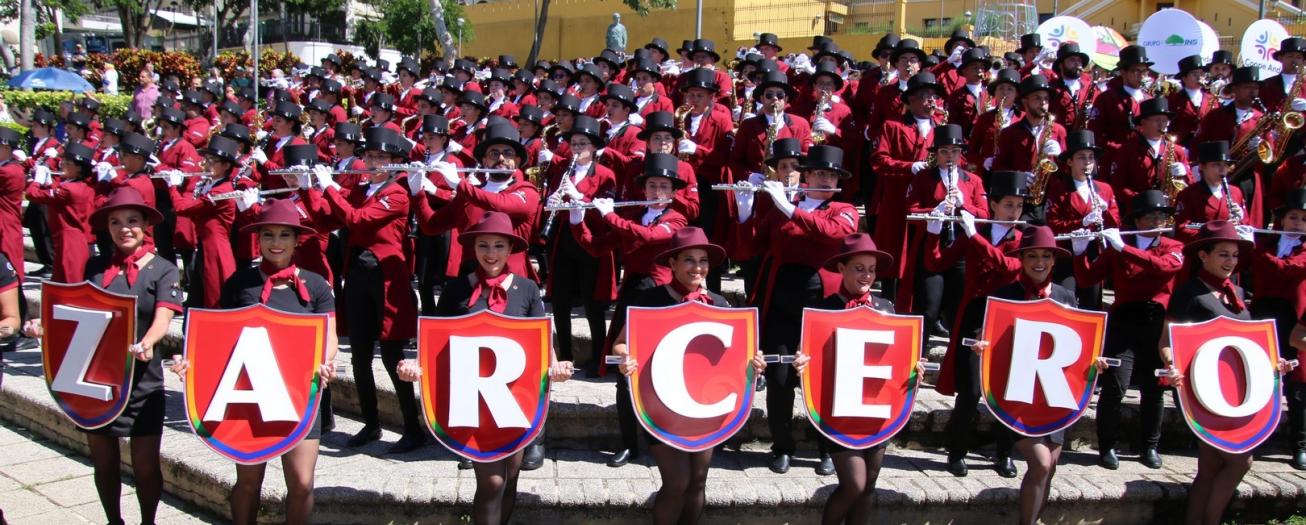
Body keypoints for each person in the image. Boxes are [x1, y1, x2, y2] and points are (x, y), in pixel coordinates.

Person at [398, 211, 574, 525]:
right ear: (473, 248)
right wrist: (414, 365)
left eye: (498, 246)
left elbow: (541, 340)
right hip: (473, 399)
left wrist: (555, 365)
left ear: (510, 250)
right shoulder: (456, 290)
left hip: (516, 397)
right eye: (483, 245)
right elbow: (434, 339)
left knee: (511, 475)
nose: (490, 253)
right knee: (492, 481)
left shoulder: (528, 289)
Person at [171, 198, 338, 525]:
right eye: (268, 235)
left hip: (299, 392)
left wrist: (325, 361)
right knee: (249, 482)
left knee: (302, 483)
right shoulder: (240, 282)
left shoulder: (317, 284)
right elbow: (219, 336)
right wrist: (191, 362)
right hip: (248, 392)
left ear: (297, 240)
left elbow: (329, 335)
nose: (276, 244)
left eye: (284, 236)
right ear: (258, 239)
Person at [24, 187, 181, 525]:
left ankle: (148, 523)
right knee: (104, 463)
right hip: (99, 380)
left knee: (145, 465)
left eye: (132, 220)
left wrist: (150, 342)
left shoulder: (164, 269)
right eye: (116, 222)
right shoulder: (95, 266)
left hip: (142, 382)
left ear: (145, 225)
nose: (125, 228)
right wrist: (44, 327)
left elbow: (164, 317)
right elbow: (75, 311)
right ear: (107, 227)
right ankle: (114, 522)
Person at [610, 227, 765, 525]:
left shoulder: (719, 303)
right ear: (673, 264)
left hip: (703, 405)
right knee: (677, 482)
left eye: (703, 260)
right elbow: (620, 343)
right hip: (661, 405)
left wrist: (754, 362)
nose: (698, 268)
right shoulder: (649, 300)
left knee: (697, 481)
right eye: (689, 260)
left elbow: (739, 353)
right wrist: (624, 358)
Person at [970, 225, 1107, 525]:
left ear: (1055, 260)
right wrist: (983, 346)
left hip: (1055, 395)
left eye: (1046, 255)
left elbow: (1081, 343)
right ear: (1021, 258)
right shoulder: (1004, 295)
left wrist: (1094, 362)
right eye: (1032, 255)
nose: (1039, 261)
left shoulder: (1066, 296)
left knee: (1051, 467)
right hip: (1016, 397)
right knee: (1041, 463)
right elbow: (989, 336)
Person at [1163, 220, 1293, 525]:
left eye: (1234, 256)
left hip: (1234, 390)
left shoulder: (1237, 291)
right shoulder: (1188, 293)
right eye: (1223, 254)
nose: (1230, 262)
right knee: (1240, 461)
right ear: (1203, 256)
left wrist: (1275, 364)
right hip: (1203, 390)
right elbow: (1166, 341)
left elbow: (1248, 341)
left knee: (1209, 469)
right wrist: (1171, 365)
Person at [305, 126, 425, 453]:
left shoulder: (398, 192)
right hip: (357, 275)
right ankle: (371, 424)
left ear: (395, 161)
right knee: (358, 355)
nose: (372, 162)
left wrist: (328, 187)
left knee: (392, 358)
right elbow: (325, 219)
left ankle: (413, 428)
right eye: (369, 156)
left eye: (380, 157)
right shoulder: (362, 189)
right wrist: (306, 189)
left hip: (387, 279)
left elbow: (357, 220)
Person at [569, 152, 689, 467]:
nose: (657, 192)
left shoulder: (677, 218)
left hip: (662, 298)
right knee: (625, 370)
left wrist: (610, 216)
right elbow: (596, 246)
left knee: (662, 370)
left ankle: (668, 439)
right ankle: (628, 443)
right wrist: (576, 217)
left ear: (673, 191)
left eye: (664, 186)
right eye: (651, 185)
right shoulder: (634, 214)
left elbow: (649, 237)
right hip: (633, 294)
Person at [792, 233, 912, 525]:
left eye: (871, 269)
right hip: (837, 411)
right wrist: (801, 364)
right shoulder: (824, 309)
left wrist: (913, 367)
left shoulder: (887, 308)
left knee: (868, 486)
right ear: (842, 269)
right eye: (859, 268)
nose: (867, 275)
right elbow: (809, 357)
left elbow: (898, 356)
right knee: (854, 484)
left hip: (877, 407)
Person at [1074, 190, 1185, 470]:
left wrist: (1124, 249)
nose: (1156, 221)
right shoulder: (1116, 247)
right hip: (1124, 323)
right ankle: (1107, 446)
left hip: (1157, 325)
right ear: (1137, 220)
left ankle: (1149, 446)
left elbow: (1162, 268)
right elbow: (1087, 277)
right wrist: (1079, 250)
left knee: (1154, 389)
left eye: (1161, 216)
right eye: (1150, 216)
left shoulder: (1173, 247)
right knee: (1115, 387)